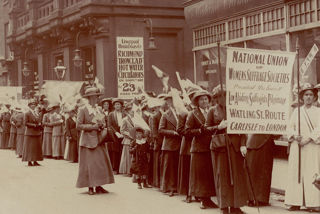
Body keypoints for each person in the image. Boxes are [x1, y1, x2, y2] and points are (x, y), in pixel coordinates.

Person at [206, 87, 248, 214]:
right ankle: (224, 206)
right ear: (216, 98)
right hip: (220, 148)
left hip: (235, 147)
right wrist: (219, 127)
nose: (223, 98)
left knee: (237, 177)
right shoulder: (212, 111)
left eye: (225, 95)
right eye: (220, 96)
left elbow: (242, 128)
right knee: (222, 177)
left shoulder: (235, 109)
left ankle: (236, 206)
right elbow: (206, 129)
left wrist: (243, 144)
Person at [285, 83, 320, 212]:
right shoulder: (297, 111)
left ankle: (313, 203)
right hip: (298, 146)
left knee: (312, 172)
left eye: (311, 94)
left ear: (314, 97)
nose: (308, 97)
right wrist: (295, 135)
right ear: (302, 97)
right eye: (306, 94)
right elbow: (290, 127)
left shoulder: (318, 111)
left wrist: (308, 138)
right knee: (297, 173)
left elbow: (319, 128)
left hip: (311, 146)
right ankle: (295, 201)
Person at [76, 86, 114, 195]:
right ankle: (90, 186)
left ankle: (98, 185)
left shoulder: (99, 109)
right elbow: (78, 125)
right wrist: (93, 127)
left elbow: (102, 122)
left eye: (97, 96)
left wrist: (102, 125)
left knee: (100, 164)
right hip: (87, 141)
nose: (97, 98)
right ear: (90, 98)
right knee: (89, 165)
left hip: (99, 140)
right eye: (95, 97)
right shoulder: (82, 109)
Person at [185, 90, 217, 209]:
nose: (204, 101)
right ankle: (203, 199)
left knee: (209, 174)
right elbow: (187, 131)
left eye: (206, 99)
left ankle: (208, 198)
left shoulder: (212, 112)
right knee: (201, 175)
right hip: (199, 148)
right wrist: (200, 130)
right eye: (201, 99)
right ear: (197, 102)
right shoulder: (193, 114)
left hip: (211, 147)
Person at [177, 89, 198, 203]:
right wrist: (190, 133)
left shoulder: (200, 111)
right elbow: (179, 129)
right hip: (187, 145)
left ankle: (197, 194)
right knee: (187, 170)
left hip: (199, 144)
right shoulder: (183, 112)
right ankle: (188, 194)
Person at [159, 94, 181, 197]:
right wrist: (172, 133)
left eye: (173, 100)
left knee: (179, 166)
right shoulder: (165, 115)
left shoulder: (182, 112)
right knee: (170, 167)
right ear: (167, 103)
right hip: (170, 144)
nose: (172, 102)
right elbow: (161, 130)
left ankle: (179, 186)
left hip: (181, 143)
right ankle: (171, 187)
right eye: (170, 101)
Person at [245, 134, 275, 207]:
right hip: (259, 143)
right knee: (257, 171)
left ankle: (257, 199)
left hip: (260, 143)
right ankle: (254, 199)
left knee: (259, 172)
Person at [22, 99, 43, 166]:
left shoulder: (36, 113)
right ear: (29, 106)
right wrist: (34, 125)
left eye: (34, 104)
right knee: (30, 148)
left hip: (36, 132)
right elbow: (25, 123)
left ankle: (35, 160)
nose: (33, 105)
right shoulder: (27, 113)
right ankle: (29, 161)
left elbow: (38, 120)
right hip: (30, 133)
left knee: (36, 147)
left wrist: (39, 124)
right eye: (32, 104)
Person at [108, 98, 125, 174]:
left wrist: (123, 132)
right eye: (116, 104)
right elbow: (109, 125)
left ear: (121, 105)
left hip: (123, 132)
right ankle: (115, 168)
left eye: (119, 104)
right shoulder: (111, 114)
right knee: (115, 151)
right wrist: (116, 133)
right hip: (115, 133)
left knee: (122, 150)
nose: (117, 106)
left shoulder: (124, 113)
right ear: (114, 106)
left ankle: (121, 168)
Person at [119, 102, 135, 176]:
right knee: (128, 156)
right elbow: (122, 130)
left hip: (135, 139)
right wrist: (130, 135)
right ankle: (128, 171)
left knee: (133, 156)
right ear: (128, 111)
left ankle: (133, 171)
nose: (133, 112)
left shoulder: (135, 119)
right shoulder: (125, 119)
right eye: (131, 111)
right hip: (128, 140)